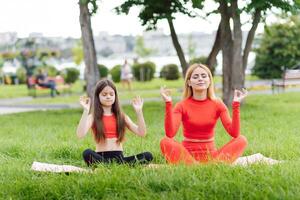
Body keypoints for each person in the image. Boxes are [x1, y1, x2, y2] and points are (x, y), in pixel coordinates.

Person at [159, 63, 248, 165]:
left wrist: (236, 104)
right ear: (189, 82)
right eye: (195, 77)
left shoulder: (218, 104)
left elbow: (235, 133)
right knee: (165, 142)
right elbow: (170, 134)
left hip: (212, 156)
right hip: (187, 155)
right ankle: (197, 166)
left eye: (204, 76)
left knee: (241, 140)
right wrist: (168, 103)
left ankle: (209, 165)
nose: (200, 79)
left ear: (209, 81)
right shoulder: (181, 105)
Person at [77, 79, 153, 166]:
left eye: (111, 94)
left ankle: (109, 166)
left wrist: (139, 112)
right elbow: (80, 134)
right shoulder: (93, 117)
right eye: (104, 94)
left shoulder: (122, 116)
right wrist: (86, 111)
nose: (108, 96)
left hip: (119, 158)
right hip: (100, 157)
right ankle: (113, 166)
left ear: (115, 96)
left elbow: (142, 133)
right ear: (98, 96)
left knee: (148, 155)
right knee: (87, 153)